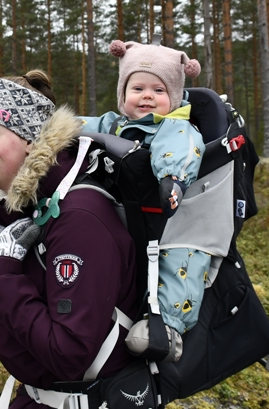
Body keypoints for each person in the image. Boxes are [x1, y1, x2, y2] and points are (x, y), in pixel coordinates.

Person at [0, 70, 138, 409]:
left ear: (29, 138)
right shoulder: (24, 206)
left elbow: (68, 355)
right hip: (39, 399)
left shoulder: (80, 218)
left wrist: (3, 273)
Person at [79, 37, 209, 359]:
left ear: (174, 97)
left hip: (170, 214)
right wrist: (51, 131)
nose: (147, 96)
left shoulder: (176, 125)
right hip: (123, 210)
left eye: (159, 90)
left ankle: (168, 326)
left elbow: (180, 147)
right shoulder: (114, 123)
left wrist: (172, 178)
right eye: (137, 89)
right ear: (124, 95)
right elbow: (81, 126)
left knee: (181, 259)